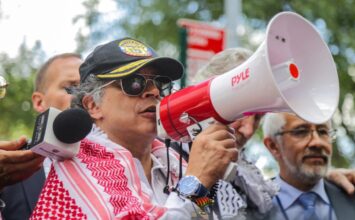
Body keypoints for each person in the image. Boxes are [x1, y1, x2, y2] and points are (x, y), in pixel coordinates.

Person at [29, 37, 240, 219]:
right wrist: (197, 179)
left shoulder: (173, 163)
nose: (154, 92)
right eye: (135, 83)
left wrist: (205, 181)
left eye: (161, 83)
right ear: (93, 105)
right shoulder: (76, 164)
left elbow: (199, 215)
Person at [188, 47, 355, 219]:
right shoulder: (164, 161)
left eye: (257, 118)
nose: (248, 130)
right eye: (300, 131)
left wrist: (323, 178)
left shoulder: (255, 192)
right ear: (272, 146)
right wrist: (193, 187)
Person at [0, 53, 82, 220]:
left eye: (91, 87)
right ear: (39, 102)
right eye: (71, 87)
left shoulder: (127, 164)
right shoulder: (8, 167)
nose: (84, 96)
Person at [262, 112, 355, 220]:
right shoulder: (249, 207)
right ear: (273, 146)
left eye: (323, 132)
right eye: (301, 132)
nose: (317, 142)